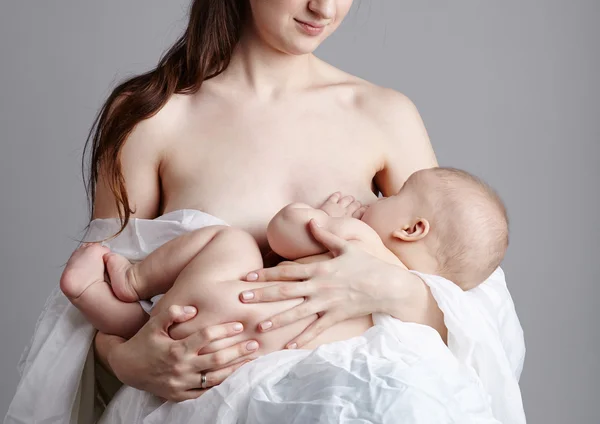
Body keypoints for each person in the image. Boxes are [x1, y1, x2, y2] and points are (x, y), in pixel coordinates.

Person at [5, 0, 525, 423]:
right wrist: (133, 363)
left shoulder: (385, 115)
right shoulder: (150, 117)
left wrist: (387, 290)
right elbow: (100, 302)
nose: (326, 5)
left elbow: (469, 307)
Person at [60, 166, 508, 354]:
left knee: (232, 241)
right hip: (255, 353)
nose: (378, 196)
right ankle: (106, 306)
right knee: (166, 334)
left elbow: (282, 231)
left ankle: (132, 281)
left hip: (237, 299)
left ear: (411, 229)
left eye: (392, 195)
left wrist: (323, 219)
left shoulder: (361, 240)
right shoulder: (404, 315)